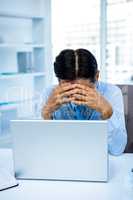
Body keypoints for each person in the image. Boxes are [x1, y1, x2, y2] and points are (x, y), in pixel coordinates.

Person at [41, 48, 127, 156]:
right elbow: (41, 149)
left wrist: (107, 112)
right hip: (62, 159)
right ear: (59, 81)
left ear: (96, 76)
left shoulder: (112, 93)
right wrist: (46, 113)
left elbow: (117, 149)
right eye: (69, 90)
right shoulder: (49, 94)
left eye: (82, 90)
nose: (75, 96)